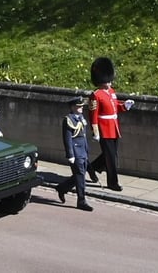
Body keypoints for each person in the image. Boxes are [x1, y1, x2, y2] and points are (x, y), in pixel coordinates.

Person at [87, 57, 134, 192]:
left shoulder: (111, 92)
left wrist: (125, 106)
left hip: (114, 127)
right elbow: (93, 115)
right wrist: (95, 131)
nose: (110, 82)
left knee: (110, 154)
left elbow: (114, 108)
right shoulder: (96, 95)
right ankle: (113, 182)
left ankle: (91, 167)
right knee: (111, 157)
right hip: (104, 128)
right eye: (107, 80)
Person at [56, 96, 94, 211]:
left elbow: (83, 136)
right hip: (75, 152)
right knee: (80, 176)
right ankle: (81, 201)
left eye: (81, 106)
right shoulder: (68, 120)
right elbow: (67, 139)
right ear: (72, 107)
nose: (81, 108)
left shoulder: (81, 117)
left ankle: (62, 188)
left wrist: (86, 150)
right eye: (78, 106)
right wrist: (70, 154)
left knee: (79, 175)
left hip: (83, 151)